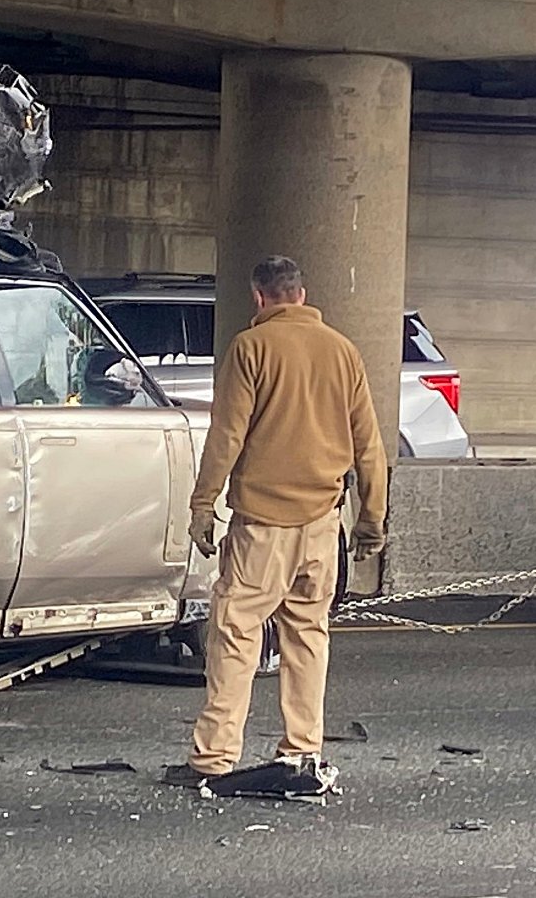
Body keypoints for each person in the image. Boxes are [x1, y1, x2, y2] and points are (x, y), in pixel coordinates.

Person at [162, 256, 389, 788]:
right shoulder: (343, 351)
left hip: (263, 525)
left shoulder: (251, 348)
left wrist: (203, 504)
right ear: (302, 296)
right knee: (308, 635)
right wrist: (372, 519)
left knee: (237, 634)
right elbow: (370, 446)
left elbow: (227, 436)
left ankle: (214, 758)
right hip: (323, 524)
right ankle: (302, 750)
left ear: (259, 298)